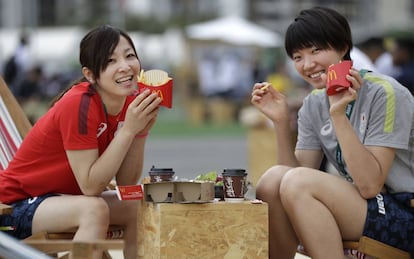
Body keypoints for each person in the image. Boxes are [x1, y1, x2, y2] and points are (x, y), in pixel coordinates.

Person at [251, 6, 414, 259]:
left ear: (342, 47)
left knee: (298, 182)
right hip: (364, 208)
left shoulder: (386, 93)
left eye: (316, 50)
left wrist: (339, 115)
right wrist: (282, 123)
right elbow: (289, 178)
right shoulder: (313, 104)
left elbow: (370, 185)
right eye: (297, 57)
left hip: (405, 212)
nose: (308, 64)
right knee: (272, 180)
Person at [0, 25, 161, 259]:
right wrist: (128, 130)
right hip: (13, 207)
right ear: (90, 74)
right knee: (93, 209)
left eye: (129, 56)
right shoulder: (80, 104)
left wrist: (140, 132)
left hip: (59, 201)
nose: (125, 66)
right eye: (110, 61)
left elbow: (126, 183)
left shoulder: (130, 101)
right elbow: (90, 187)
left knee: (137, 204)